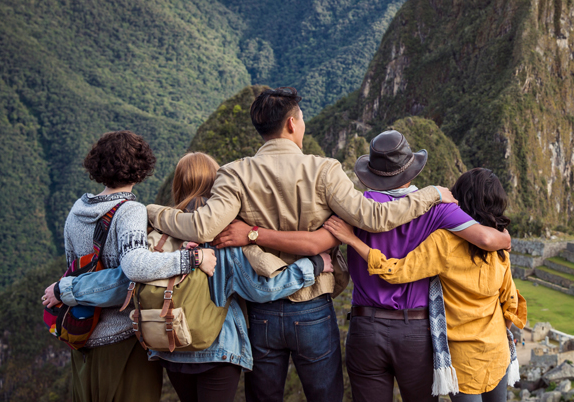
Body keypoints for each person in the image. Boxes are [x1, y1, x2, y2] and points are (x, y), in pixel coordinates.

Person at [145, 87, 457, 402]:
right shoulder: (325, 171)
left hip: (262, 310)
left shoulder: (234, 173)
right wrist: (431, 193)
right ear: (292, 124)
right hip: (313, 310)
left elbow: (202, 226)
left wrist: (152, 212)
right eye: (302, 119)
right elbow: (376, 217)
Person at [218, 130, 512, 402]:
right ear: (412, 170)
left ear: (371, 173)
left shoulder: (353, 208)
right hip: (415, 333)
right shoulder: (438, 209)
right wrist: (505, 237)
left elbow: (312, 244)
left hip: (365, 328)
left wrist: (254, 233)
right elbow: (485, 238)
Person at [45, 152, 334, 402]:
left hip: (170, 345)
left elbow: (123, 281)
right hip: (217, 350)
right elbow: (261, 289)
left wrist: (66, 288)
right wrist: (313, 267)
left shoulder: (156, 237)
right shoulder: (225, 238)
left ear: (177, 185)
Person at [326, 168, 527, 402]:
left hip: (462, 357)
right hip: (497, 350)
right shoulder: (500, 246)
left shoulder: (444, 241)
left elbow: (396, 271)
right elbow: (510, 299)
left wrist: (352, 240)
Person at [43, 131, 215, 402]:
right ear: (141, 168)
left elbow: (73, 267)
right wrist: (191, 260)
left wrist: (67, 290)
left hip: (82, 339)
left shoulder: (77, 211)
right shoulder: (130, 211)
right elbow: (135, 266)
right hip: (124, 340)